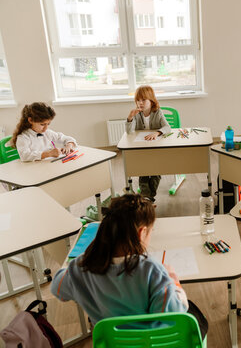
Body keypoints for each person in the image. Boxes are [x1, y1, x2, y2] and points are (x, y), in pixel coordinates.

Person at [51, 194, 208, 337]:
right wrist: (172, 280)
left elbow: (57, 289)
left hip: (112, 342)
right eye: (151, 231)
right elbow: (174, 314)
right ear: (141, 232)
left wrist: (77, 268)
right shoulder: (151, 270)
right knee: (195, 316)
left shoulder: (81, 267)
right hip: (154, 342)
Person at [126, 85, 171, 202]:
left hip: (156, 148)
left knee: (156, 171)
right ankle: (147, 196)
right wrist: (130, 118)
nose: (140, 103)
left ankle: (148, 196)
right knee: (143, 171)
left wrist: (157, 133)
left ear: (151, 100)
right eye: (138, 100)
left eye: (143, 100)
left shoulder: (157, 112)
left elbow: (167, 127)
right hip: (142, 148)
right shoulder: (137, 114)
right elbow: (129, 132)